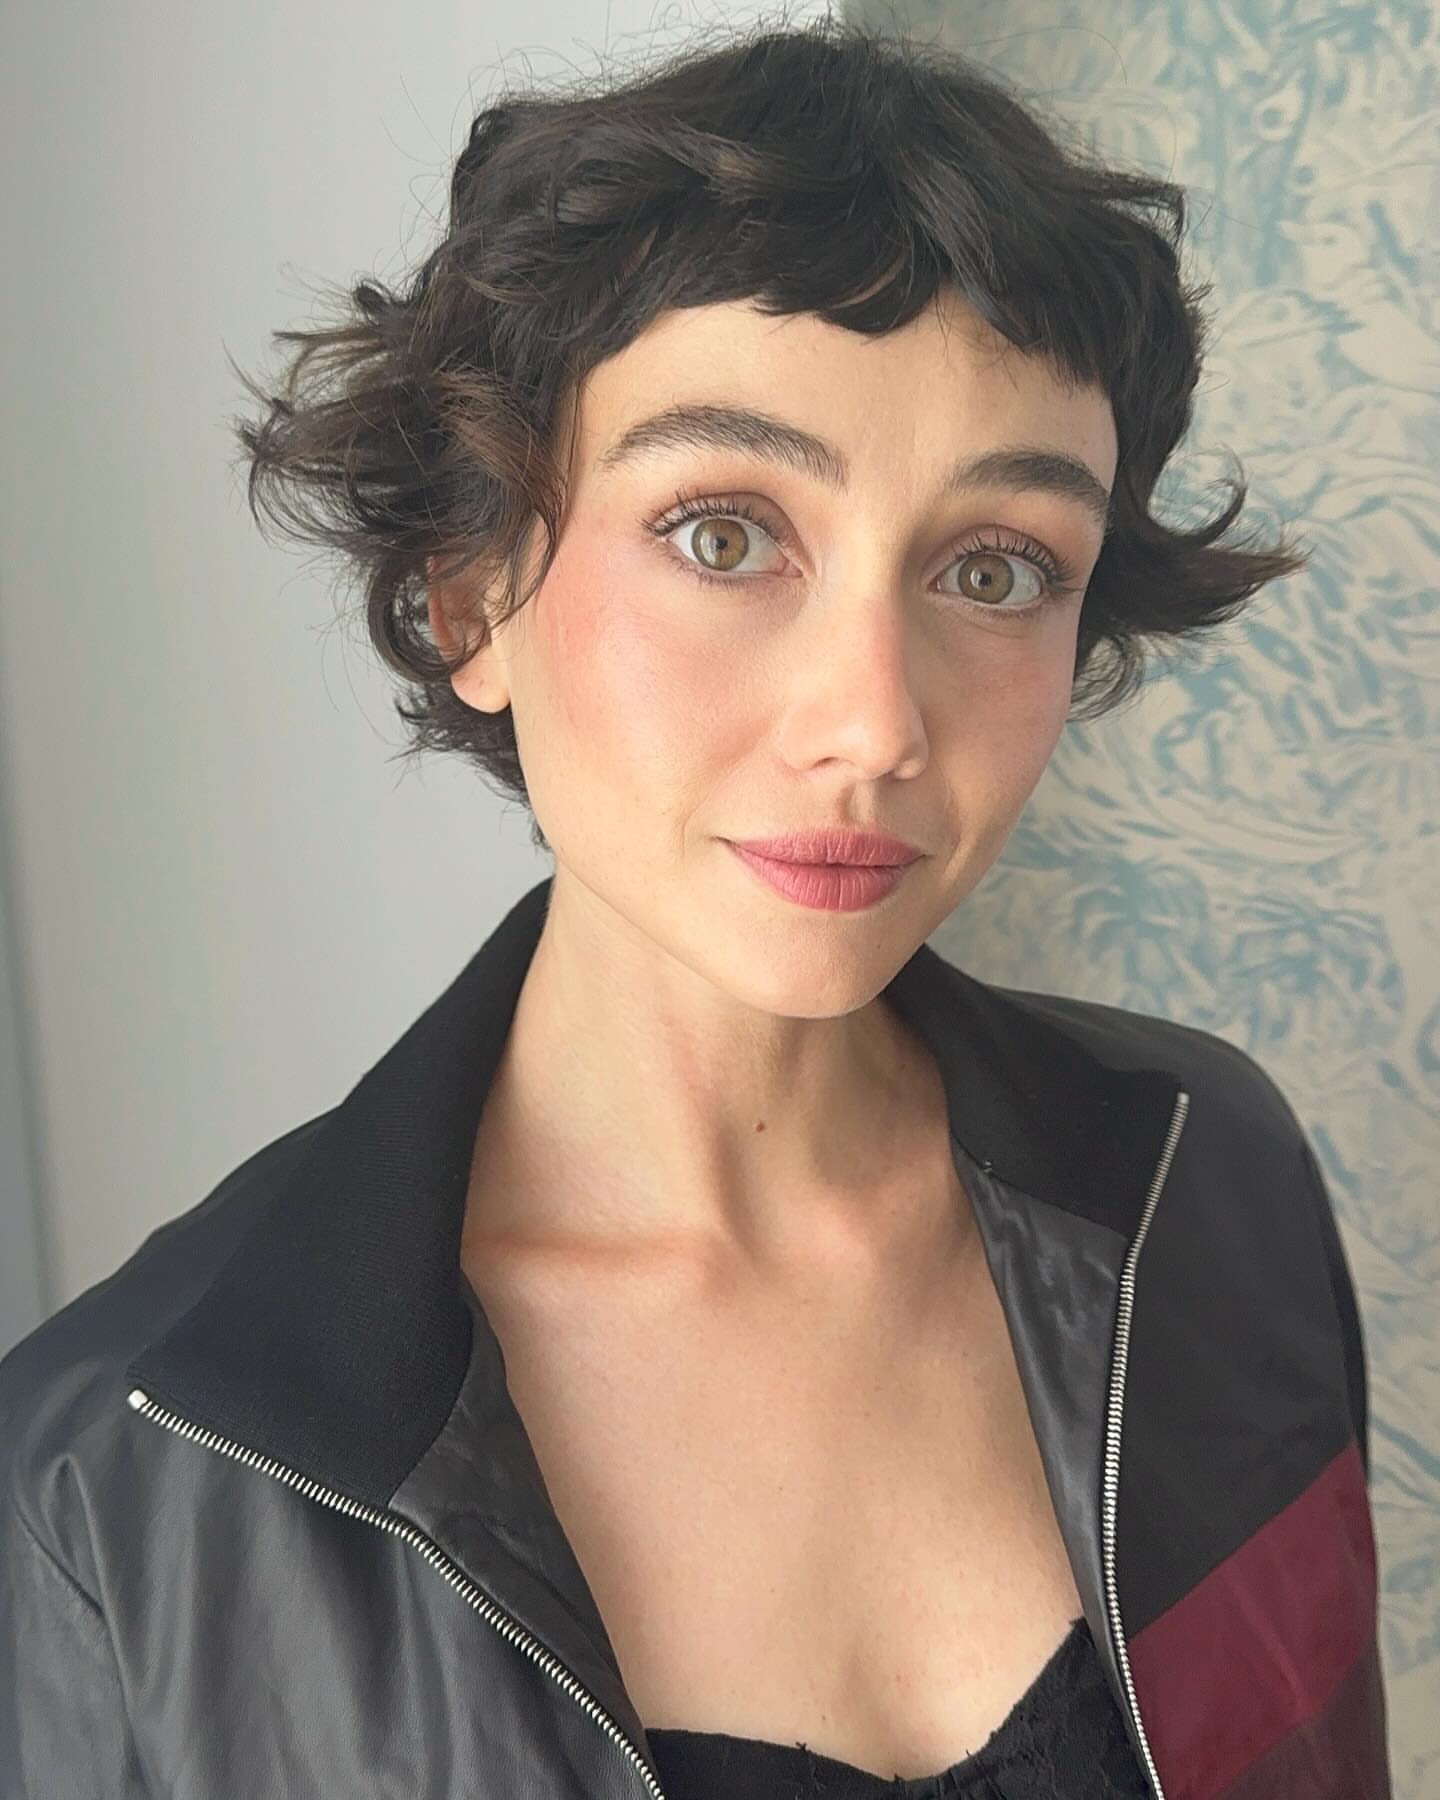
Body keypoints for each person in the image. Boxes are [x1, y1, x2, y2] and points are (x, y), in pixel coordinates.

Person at [0, 17, 1389, 1799]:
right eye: (725, 534)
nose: (874, 723)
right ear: (470, 591)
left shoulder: (1213, 1178)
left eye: (996, 568)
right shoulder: (118, 1497)